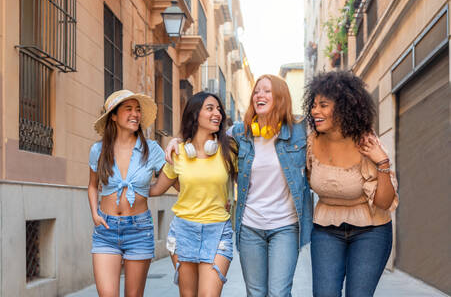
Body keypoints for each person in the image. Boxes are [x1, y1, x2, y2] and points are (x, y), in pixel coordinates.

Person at [166, 74, 313, 297]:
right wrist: (177, 141)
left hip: (285, 225)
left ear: (281, 97)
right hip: (250, 226)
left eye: (266, 91)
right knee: (255, 293)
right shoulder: (239, 134)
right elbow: (202, 133)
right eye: (256, 91)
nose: (259, 95)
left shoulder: (299, 131)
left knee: (279, 293)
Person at [303, 71, 399, 297]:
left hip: (371, 231)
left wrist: (382, 162)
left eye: (323, 105)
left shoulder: (366, 142)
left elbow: (384, 203)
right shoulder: (310, 142)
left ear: (344, 108)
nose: (315, 111)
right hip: (326, 230)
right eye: (314, 105)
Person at [149, 92, 237, 297]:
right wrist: (122, 183)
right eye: (210, 108)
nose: (218, 113)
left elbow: (248, 182)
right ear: (194, 114)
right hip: (184, 230)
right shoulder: (178, 151)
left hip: (218, 230)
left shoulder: (229, 149)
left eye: (219, 109)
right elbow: (156, 189)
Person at [87, 90, 165, 297]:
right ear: (113, 115)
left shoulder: (152, 149)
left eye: (138, 110)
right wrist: (95, 214)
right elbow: (93, 185)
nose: (135, 114)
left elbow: (172, 179)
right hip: (106, 230)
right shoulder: (98, 150)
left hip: (139, 230)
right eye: (128, 109)